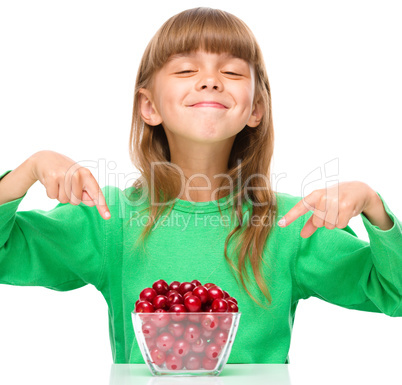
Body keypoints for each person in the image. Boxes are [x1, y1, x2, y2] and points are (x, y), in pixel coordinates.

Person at [0, 7, 400, 366]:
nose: (210, 81)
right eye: (186, 70)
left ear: (256, 108)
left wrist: (373, 206)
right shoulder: (110, 219)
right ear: (149, 106)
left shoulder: (291, 225)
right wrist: (29, 170)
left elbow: (394, 293)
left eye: (231, 71)